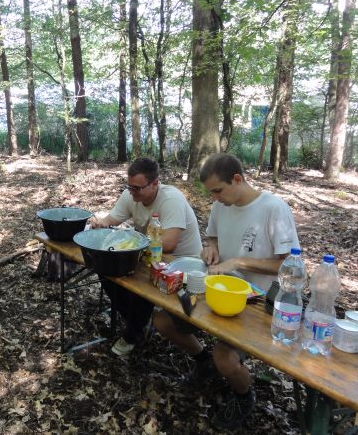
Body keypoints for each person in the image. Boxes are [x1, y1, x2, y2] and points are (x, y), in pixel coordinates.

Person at [153, 153, 300, 430]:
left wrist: (238, 261)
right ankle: (202, 361)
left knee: (226, 357)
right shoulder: (222, 205)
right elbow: (213, 237)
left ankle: (244, 396)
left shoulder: (273, 208)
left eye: (218, 191)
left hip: (256, 304)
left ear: (237, 178)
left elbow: (288, 266)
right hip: (217, 290)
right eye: (211, 193)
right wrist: (211, 249)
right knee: (162, 320)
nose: (215, 198)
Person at [91, 157, 202, 356]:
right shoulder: (131, 195)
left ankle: (133, 334)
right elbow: (112, 219)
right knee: (105, 270)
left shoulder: (171, 200)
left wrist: (133, 245)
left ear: (155, 184)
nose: (132, 192)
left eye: (137, 188)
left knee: (143, 287)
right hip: (150, 255)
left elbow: (168, 244)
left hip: (183, 264)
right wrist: (100, 223)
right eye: (129, 187)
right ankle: (138, 322)